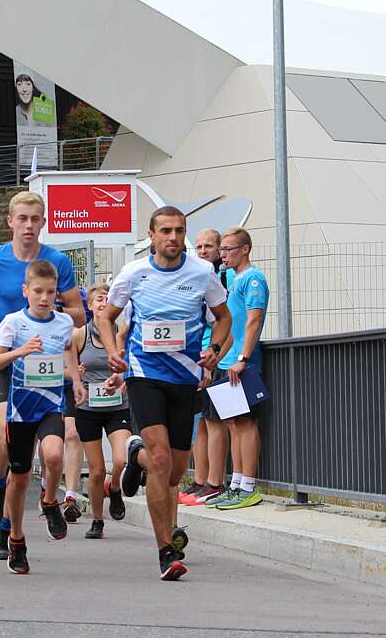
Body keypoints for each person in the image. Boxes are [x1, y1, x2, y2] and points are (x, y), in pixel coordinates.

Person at [98, 206, 231, 581]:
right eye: (166, 231)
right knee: (161, 462)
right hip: (144, 373)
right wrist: (113, 351)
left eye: (180, 231)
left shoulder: (203, 273)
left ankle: (134, 455)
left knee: (172, 472)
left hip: (185, 377)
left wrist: (214, 351)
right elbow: (106, 316)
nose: (173, 238)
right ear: (152, 236)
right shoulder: (134, 273)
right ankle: (164, 549)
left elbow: (224, 318)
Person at [0, 191, 84, 558]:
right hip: (3, 359)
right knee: (5, 433)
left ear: (44, 222)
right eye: (22, 218)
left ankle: (10, 522)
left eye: (35, 219)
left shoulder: (56, 261)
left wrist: (49, 307)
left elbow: (78, 313)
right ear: (10, 221)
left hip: (41, 369)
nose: (28, 225)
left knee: (37, 453)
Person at [0, 260, 82, 574]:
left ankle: (50, 501)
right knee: (21, 478)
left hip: (51, 405)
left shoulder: (64, 323)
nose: (44, 298)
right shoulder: (13, 322)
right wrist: (20, 351)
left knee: (54, 454)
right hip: (19, 411)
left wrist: (77, 381)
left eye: (50, 292)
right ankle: (16, 538)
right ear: (25, 291)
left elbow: (68, 348)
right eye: (38, 291)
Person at [208, 227, 269, 511]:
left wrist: (243, 358)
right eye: (222, 250)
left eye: (228, 249)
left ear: (245, 249)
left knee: (245, 424)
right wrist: (217, 354)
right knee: (233, 423)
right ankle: (235, 485)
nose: (223, 255)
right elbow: (230, 323)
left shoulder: (254, 278)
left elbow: (253, 321)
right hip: (226, 361)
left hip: (242, 363)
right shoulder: (233, 280)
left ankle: (249, 486)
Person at [71, 283, 131, 538]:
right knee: (96, 470)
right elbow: (69, 368)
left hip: (117, 405)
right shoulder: (79, 335)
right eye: (99, 299)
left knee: (122, 459)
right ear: (90, 305)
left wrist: (125, 382)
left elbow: (133, 365)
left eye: (109, 298)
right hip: (88, 407)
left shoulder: (122, 330)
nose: (104, 302)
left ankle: (115, 486)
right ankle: (97, 520)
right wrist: (76, 379)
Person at [181, 229, 228, 506]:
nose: (202, 251)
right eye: (198, 246)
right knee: (201, 421)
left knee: (216, 421)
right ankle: (200, 480)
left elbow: (228, 318)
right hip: (196, 357)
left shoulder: (224, 277)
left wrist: (217, 354)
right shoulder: (193, 276)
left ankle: (214, 481)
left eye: (208, 246)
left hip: (217, 356)